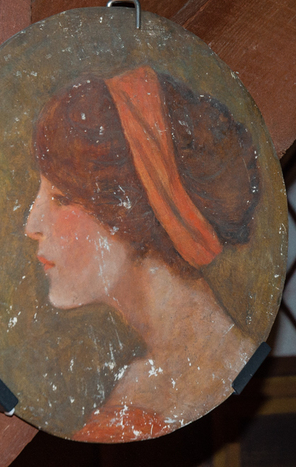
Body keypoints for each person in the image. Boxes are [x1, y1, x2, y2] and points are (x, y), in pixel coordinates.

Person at [24, 65, 261, 442]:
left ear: (129, 212)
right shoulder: (232, 355)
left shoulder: (139, 413)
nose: (31, 225)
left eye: (61, 198)